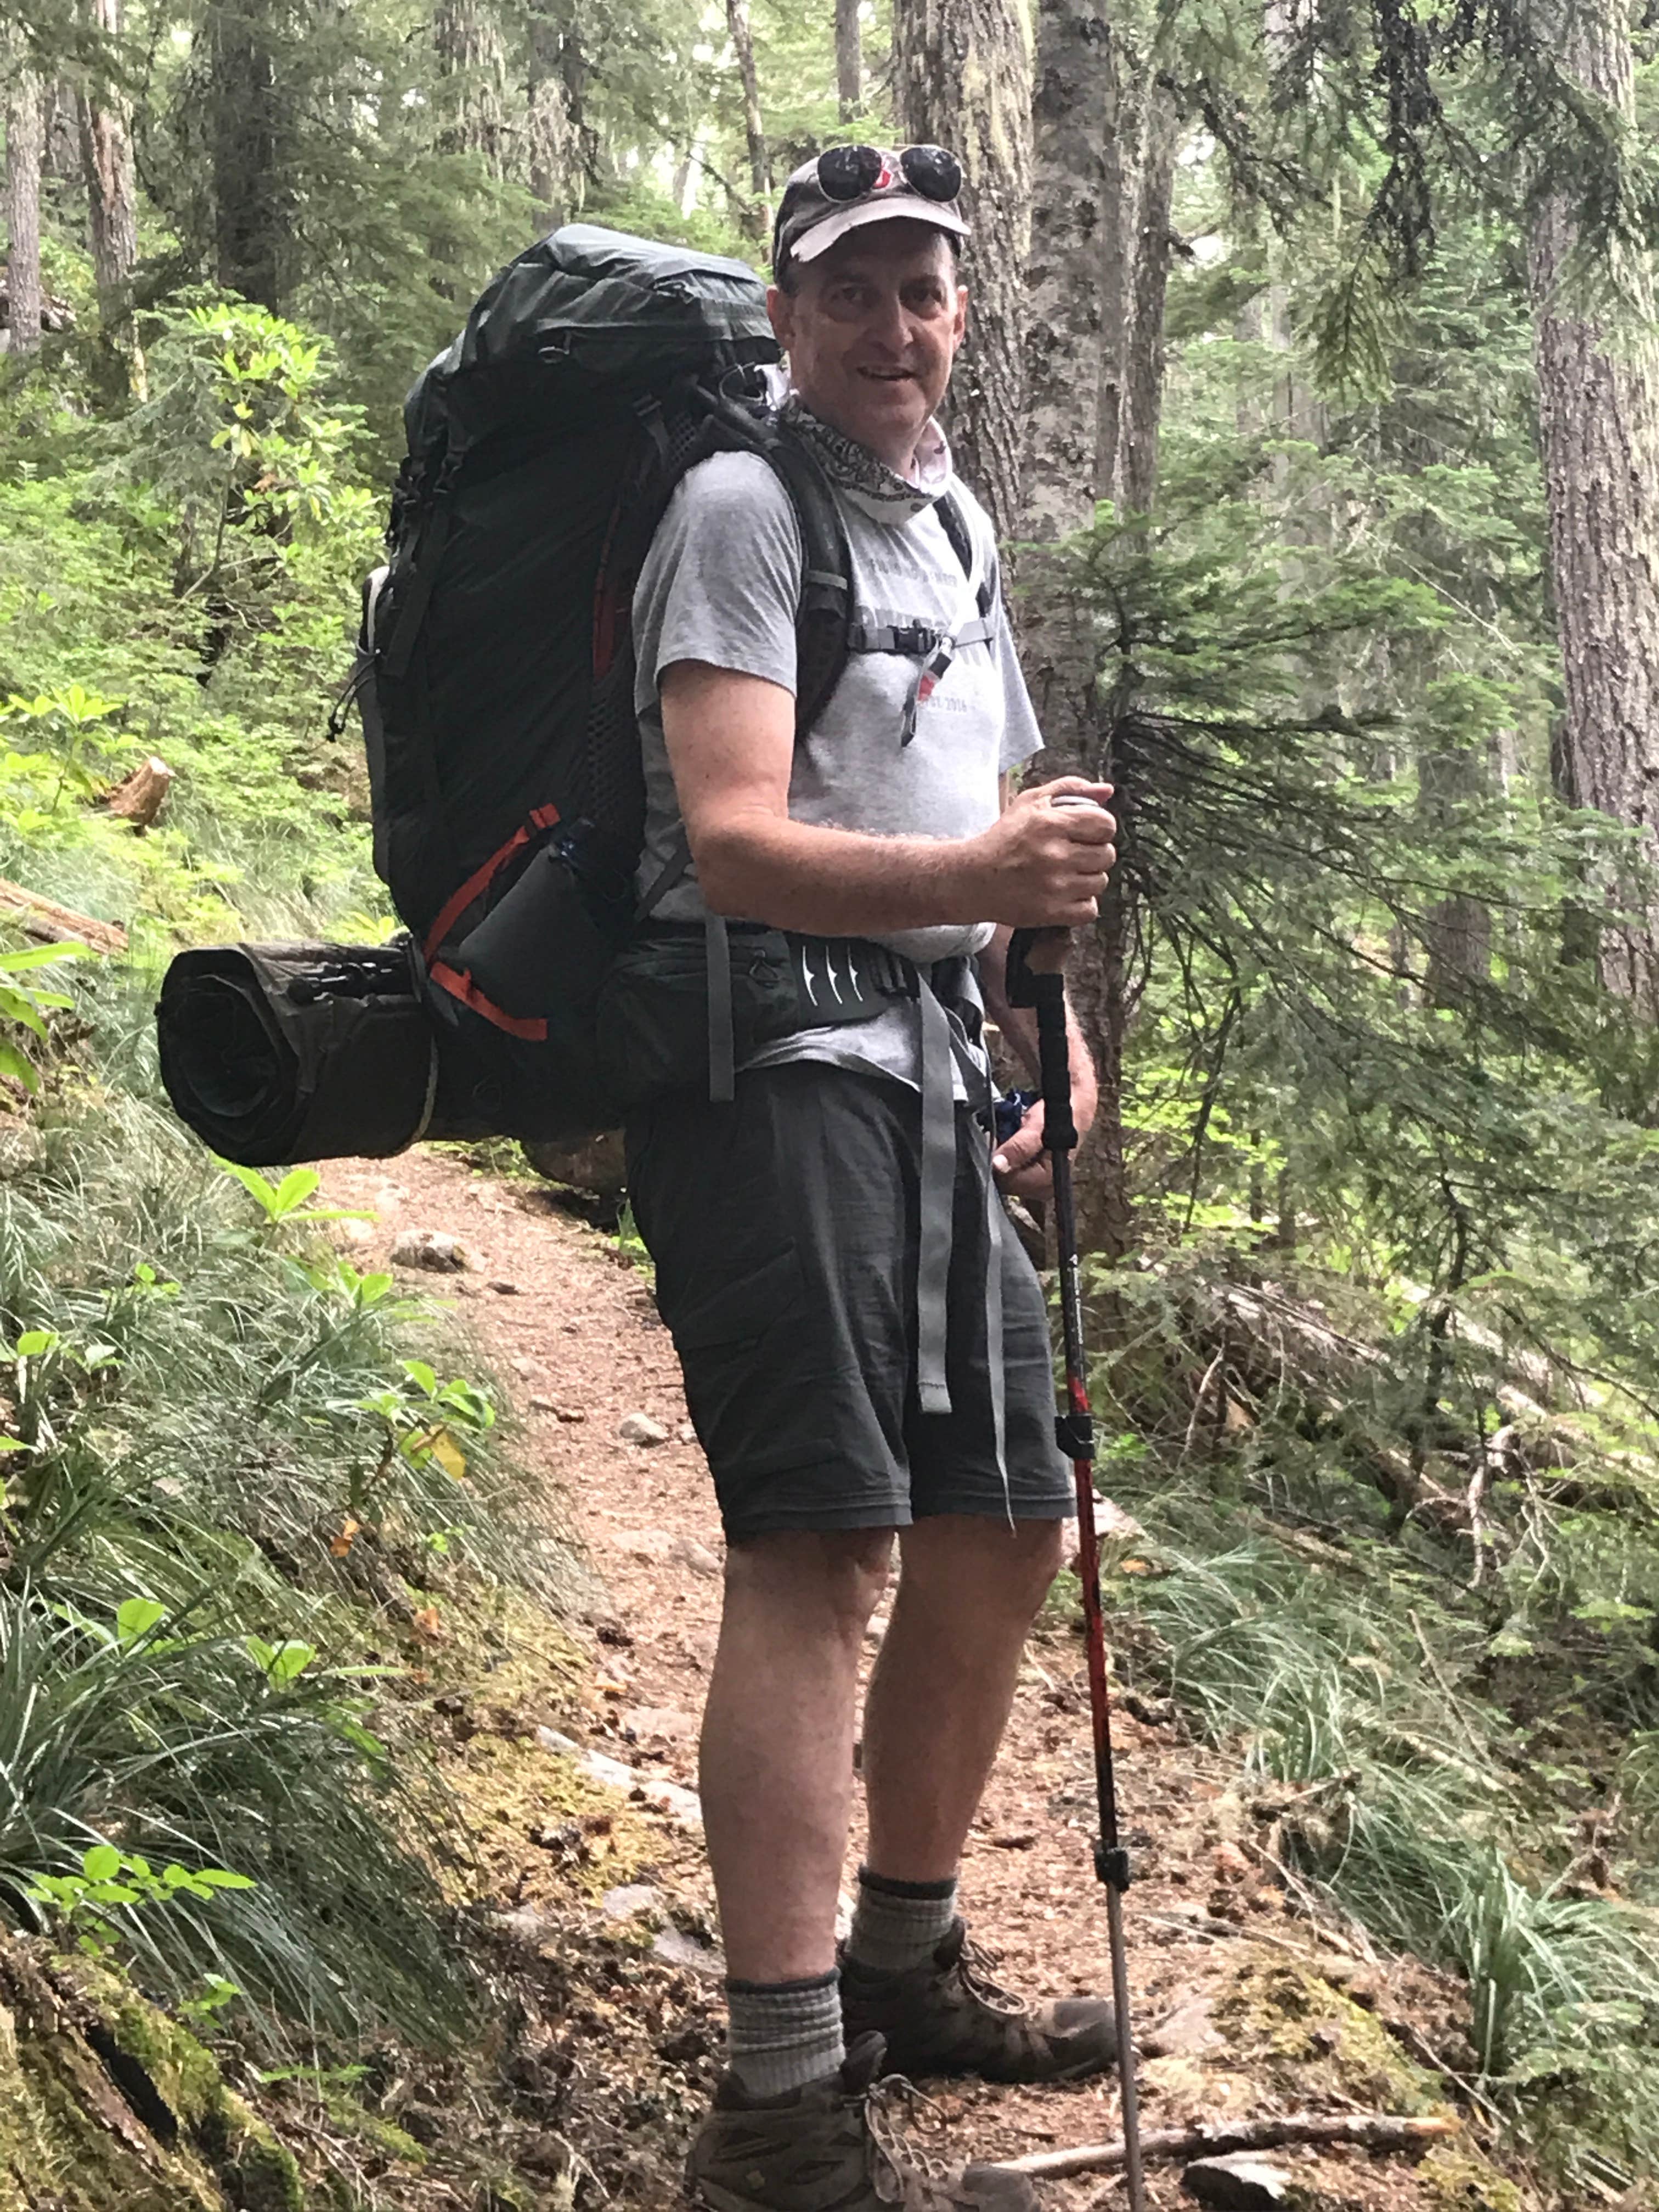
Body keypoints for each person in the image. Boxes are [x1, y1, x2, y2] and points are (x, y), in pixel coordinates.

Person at [624, 145, 1122, 2212]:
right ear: (787, 315)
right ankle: (775, 2097)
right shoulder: (740, 514)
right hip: (764, 1067)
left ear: (961, 308)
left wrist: (1038, 1006)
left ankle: (900, 1961)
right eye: (856, 294)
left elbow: (973, 788)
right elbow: (733, 836)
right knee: (821, 1548)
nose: (898, 329)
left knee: (1009, 1513)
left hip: (925, 1067)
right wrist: (978, 887)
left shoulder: (953, 517)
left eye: (926, 291)